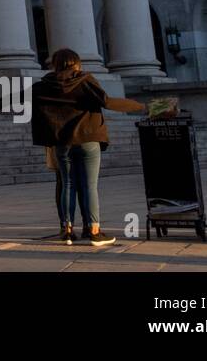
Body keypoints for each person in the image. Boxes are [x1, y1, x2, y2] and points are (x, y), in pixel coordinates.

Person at [31, 48, 145, 246]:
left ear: (55, 64)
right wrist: (140, 106)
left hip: (62, 143)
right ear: (76, 63)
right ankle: (94, 231)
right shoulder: (85, 80)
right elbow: (106, 102)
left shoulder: (44, 85)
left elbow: (18, 96)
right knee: (89, 185)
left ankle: (67, 230)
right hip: (88, 140)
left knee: (67, 184)